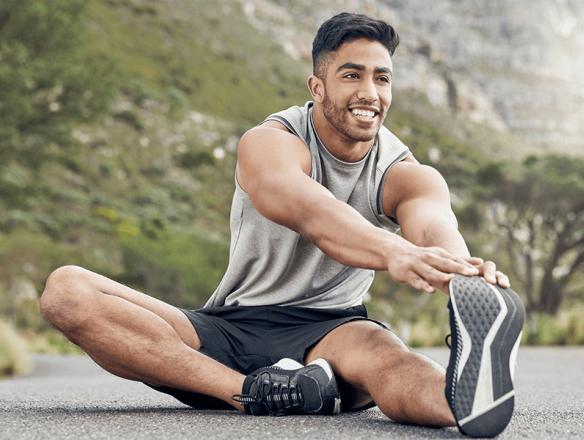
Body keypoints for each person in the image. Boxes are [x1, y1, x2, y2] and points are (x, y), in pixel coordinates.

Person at [40, 12, 524, 439]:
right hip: (227, 328)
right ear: (317, 87)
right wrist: (393, 252)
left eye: (382, 78)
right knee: (66, 291)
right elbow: (309, 210)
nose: (369, 93)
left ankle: (468, 400)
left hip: (332, 332)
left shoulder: (407, 174)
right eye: (352, 75)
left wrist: (460, 273)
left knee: (391, 361)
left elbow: (433, 226)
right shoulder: (271, 141)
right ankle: (256, 392)